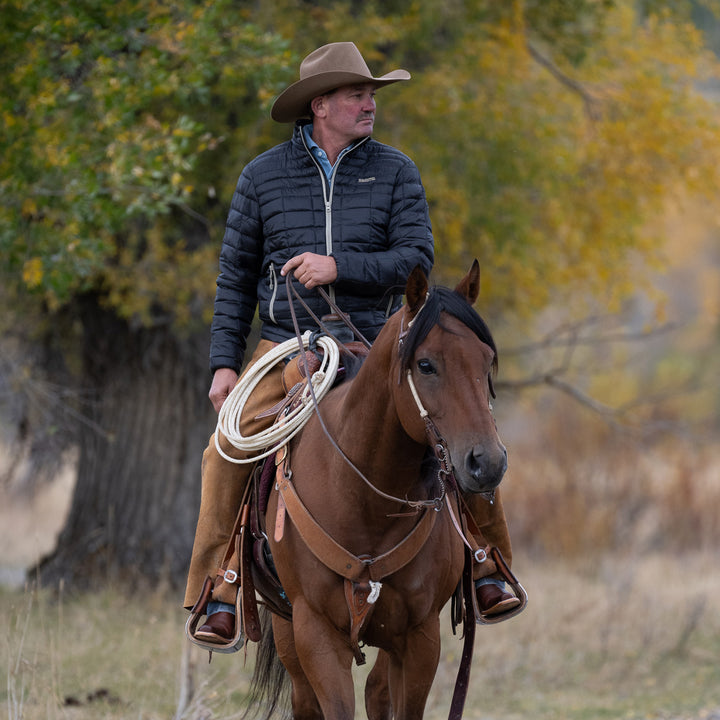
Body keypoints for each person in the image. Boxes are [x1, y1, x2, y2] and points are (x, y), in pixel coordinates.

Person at [184, 41, 521, 647]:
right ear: (319, 105)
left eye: (370, 95)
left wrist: (338, 266)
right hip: (285, 343)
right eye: (356, 94)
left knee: (463, 421)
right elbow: (234, 276)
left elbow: (417, 260)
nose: (369, 104)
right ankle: (219, 586)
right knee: (224, 448)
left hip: (378, 344)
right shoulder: (262, 177)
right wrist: (223, 366)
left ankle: (486, 563)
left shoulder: (396, 170)